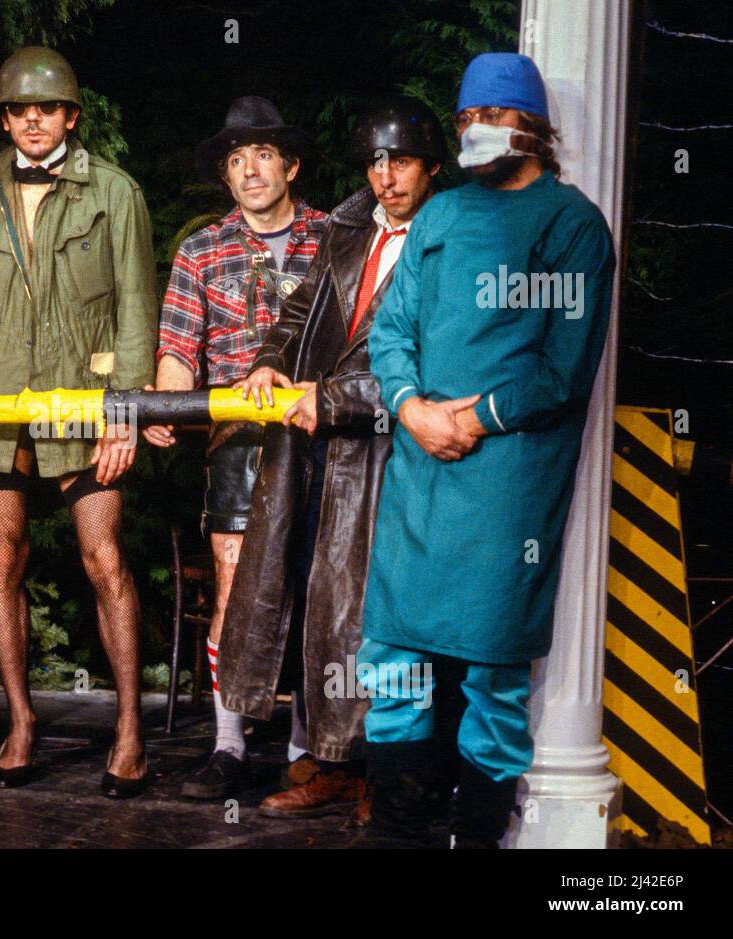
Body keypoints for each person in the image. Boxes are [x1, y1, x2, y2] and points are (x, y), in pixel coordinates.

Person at [360, 53, 615, 847]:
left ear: (532, 127)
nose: (477, 132)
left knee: (494, 675)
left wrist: (474, 418)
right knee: (392, 660)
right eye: (466, 120)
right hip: (417, 474)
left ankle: (475, 839)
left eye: (492, 118)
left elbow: (563, 368)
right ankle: (396, 836)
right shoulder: (438, 216)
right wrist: (411, 407)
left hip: (507, 486)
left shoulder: (571, 224)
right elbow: (391, 330)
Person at [0, 46, 158, 797]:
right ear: (5, 120)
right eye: (20, 110)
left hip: (85, 402)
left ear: (71, 116)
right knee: (4, 558)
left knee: (104, 560)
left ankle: (129, 729)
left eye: (47, 108)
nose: (33, 121)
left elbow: (136, 308)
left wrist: (124, 413)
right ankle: (21, 722)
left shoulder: (114, 193)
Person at [227, 96, 448, 821]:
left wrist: (333, 398)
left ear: (431, 166)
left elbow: (435, 362)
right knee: (318, 603)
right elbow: (301, 308)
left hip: (391, 451)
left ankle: (386, 775)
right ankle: (332, 761)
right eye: (376, 163)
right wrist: (269, 357)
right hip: (315, 447)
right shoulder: (349, 227)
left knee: (378, 616)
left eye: (401, 161)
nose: (386, 177)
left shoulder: (448, 241)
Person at [144, 96, 326, 800]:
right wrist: (166, 406)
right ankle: (229, 746)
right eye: (236, 159)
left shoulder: (333, 238)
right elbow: (177, 351)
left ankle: (307, 752)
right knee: (233, 590)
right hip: (237, 445)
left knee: (316, 591)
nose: (250, 170)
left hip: (320, 438)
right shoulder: (201, 250)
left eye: (263, 155)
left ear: (291, 165)